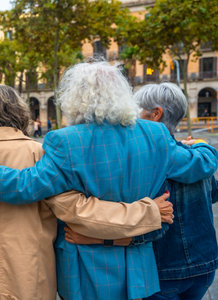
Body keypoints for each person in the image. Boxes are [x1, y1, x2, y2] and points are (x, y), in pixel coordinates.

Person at [0, 62, 218, 300]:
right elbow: (196, 167)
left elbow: (22, 187)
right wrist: (204, 147)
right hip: (139, 270)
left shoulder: (65, 142)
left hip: (85, 270)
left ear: (74, 98)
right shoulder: (156, 134)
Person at [0, 84, 173, 299]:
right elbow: (79, 211)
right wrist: (148, 212)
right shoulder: (43, 155)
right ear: (23, 116)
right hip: (30, 281)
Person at [64, 82, 218, 300]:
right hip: (205, 267)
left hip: (162, 271)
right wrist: (201, 145)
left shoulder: (148, 160)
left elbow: (148, 229)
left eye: (137, 112)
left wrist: (96, 239)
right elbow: (213, 194)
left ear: (156, 114)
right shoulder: (195, 156)